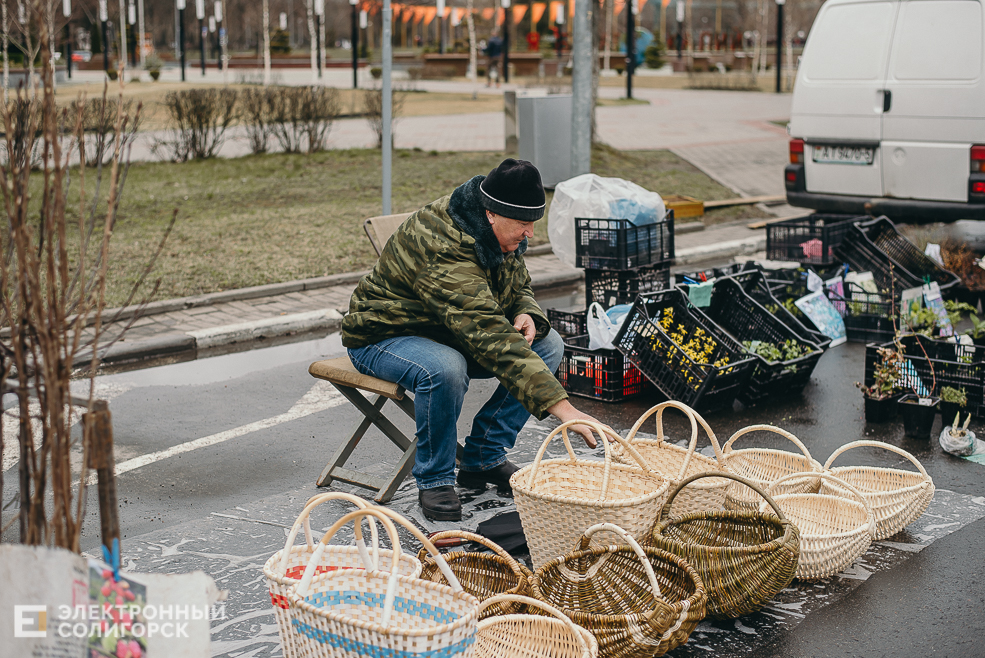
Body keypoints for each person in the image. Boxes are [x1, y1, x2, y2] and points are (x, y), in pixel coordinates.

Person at [342, 159, 607, 521]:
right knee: (444, 368)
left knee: (549, 344)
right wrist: (565, 410)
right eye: (524, 224)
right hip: (384, 335)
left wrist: (527, 312)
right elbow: (489, 334)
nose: (530, 233)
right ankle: (434, 479)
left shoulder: (497, 231)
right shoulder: (442, 246)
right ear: (492, 214)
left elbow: (518, 287)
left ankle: (482, 458)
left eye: (533, 223)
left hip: (446, 329)